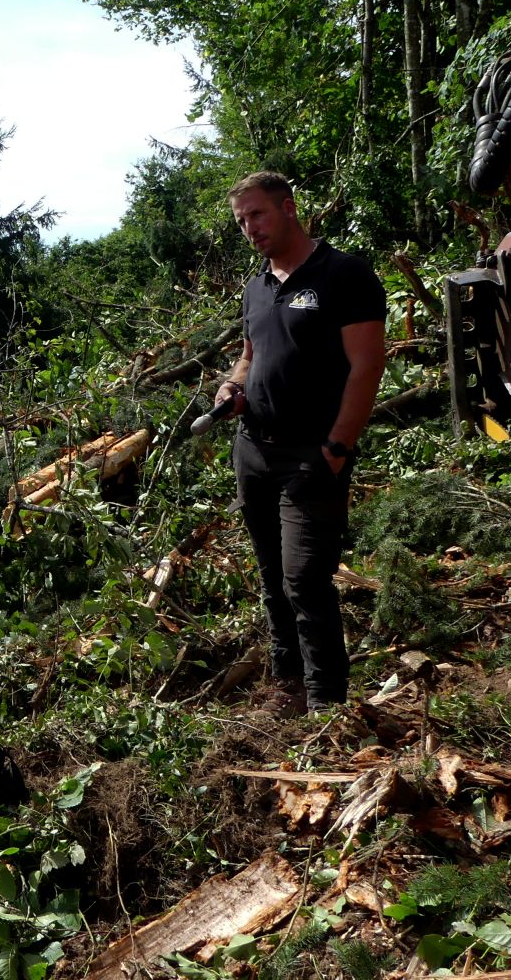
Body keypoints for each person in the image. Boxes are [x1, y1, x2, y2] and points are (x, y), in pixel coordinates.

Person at [215, 173, 386, 716]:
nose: (250, 228)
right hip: (253, 450)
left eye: (257, 214)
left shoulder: (344, 274)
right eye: (241, 221)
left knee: (306, 579)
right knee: (272, 576)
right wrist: (232, 387)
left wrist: (337, 448)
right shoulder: (256, 287)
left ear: (288, 208)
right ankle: (287, 686)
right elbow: (249, 355)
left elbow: (366, 367)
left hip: (312, 455)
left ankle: (326, 704)